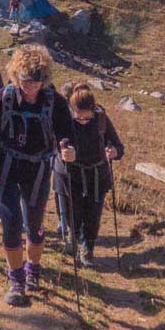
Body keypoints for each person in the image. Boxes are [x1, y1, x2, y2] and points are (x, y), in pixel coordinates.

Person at [0, 44, 77, 306]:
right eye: (24, 80)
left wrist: (67, 148)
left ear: (44, 79)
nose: (30, 85)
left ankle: (34, 268)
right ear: (15, 76)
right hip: (7, 169)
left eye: (36, 80)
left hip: (38, 171)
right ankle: (16, 279)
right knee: (10, 224)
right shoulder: (2, 98)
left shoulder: (54, 101)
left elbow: (65, 131)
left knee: (34, 225)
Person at [53, 82, 125, 267]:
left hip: (97, 176)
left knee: (93, 216)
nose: (84, 121)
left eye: (87, 118)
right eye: (79, 118)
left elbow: (118, 144)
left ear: (93, 110)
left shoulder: (101, 119)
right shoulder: (64, 119)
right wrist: (62, 153)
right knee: (73, 214)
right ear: (72, 110)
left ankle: (88, 250)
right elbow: (53, 144)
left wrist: (114, 152)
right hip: (72, 175)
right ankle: (73, 239)